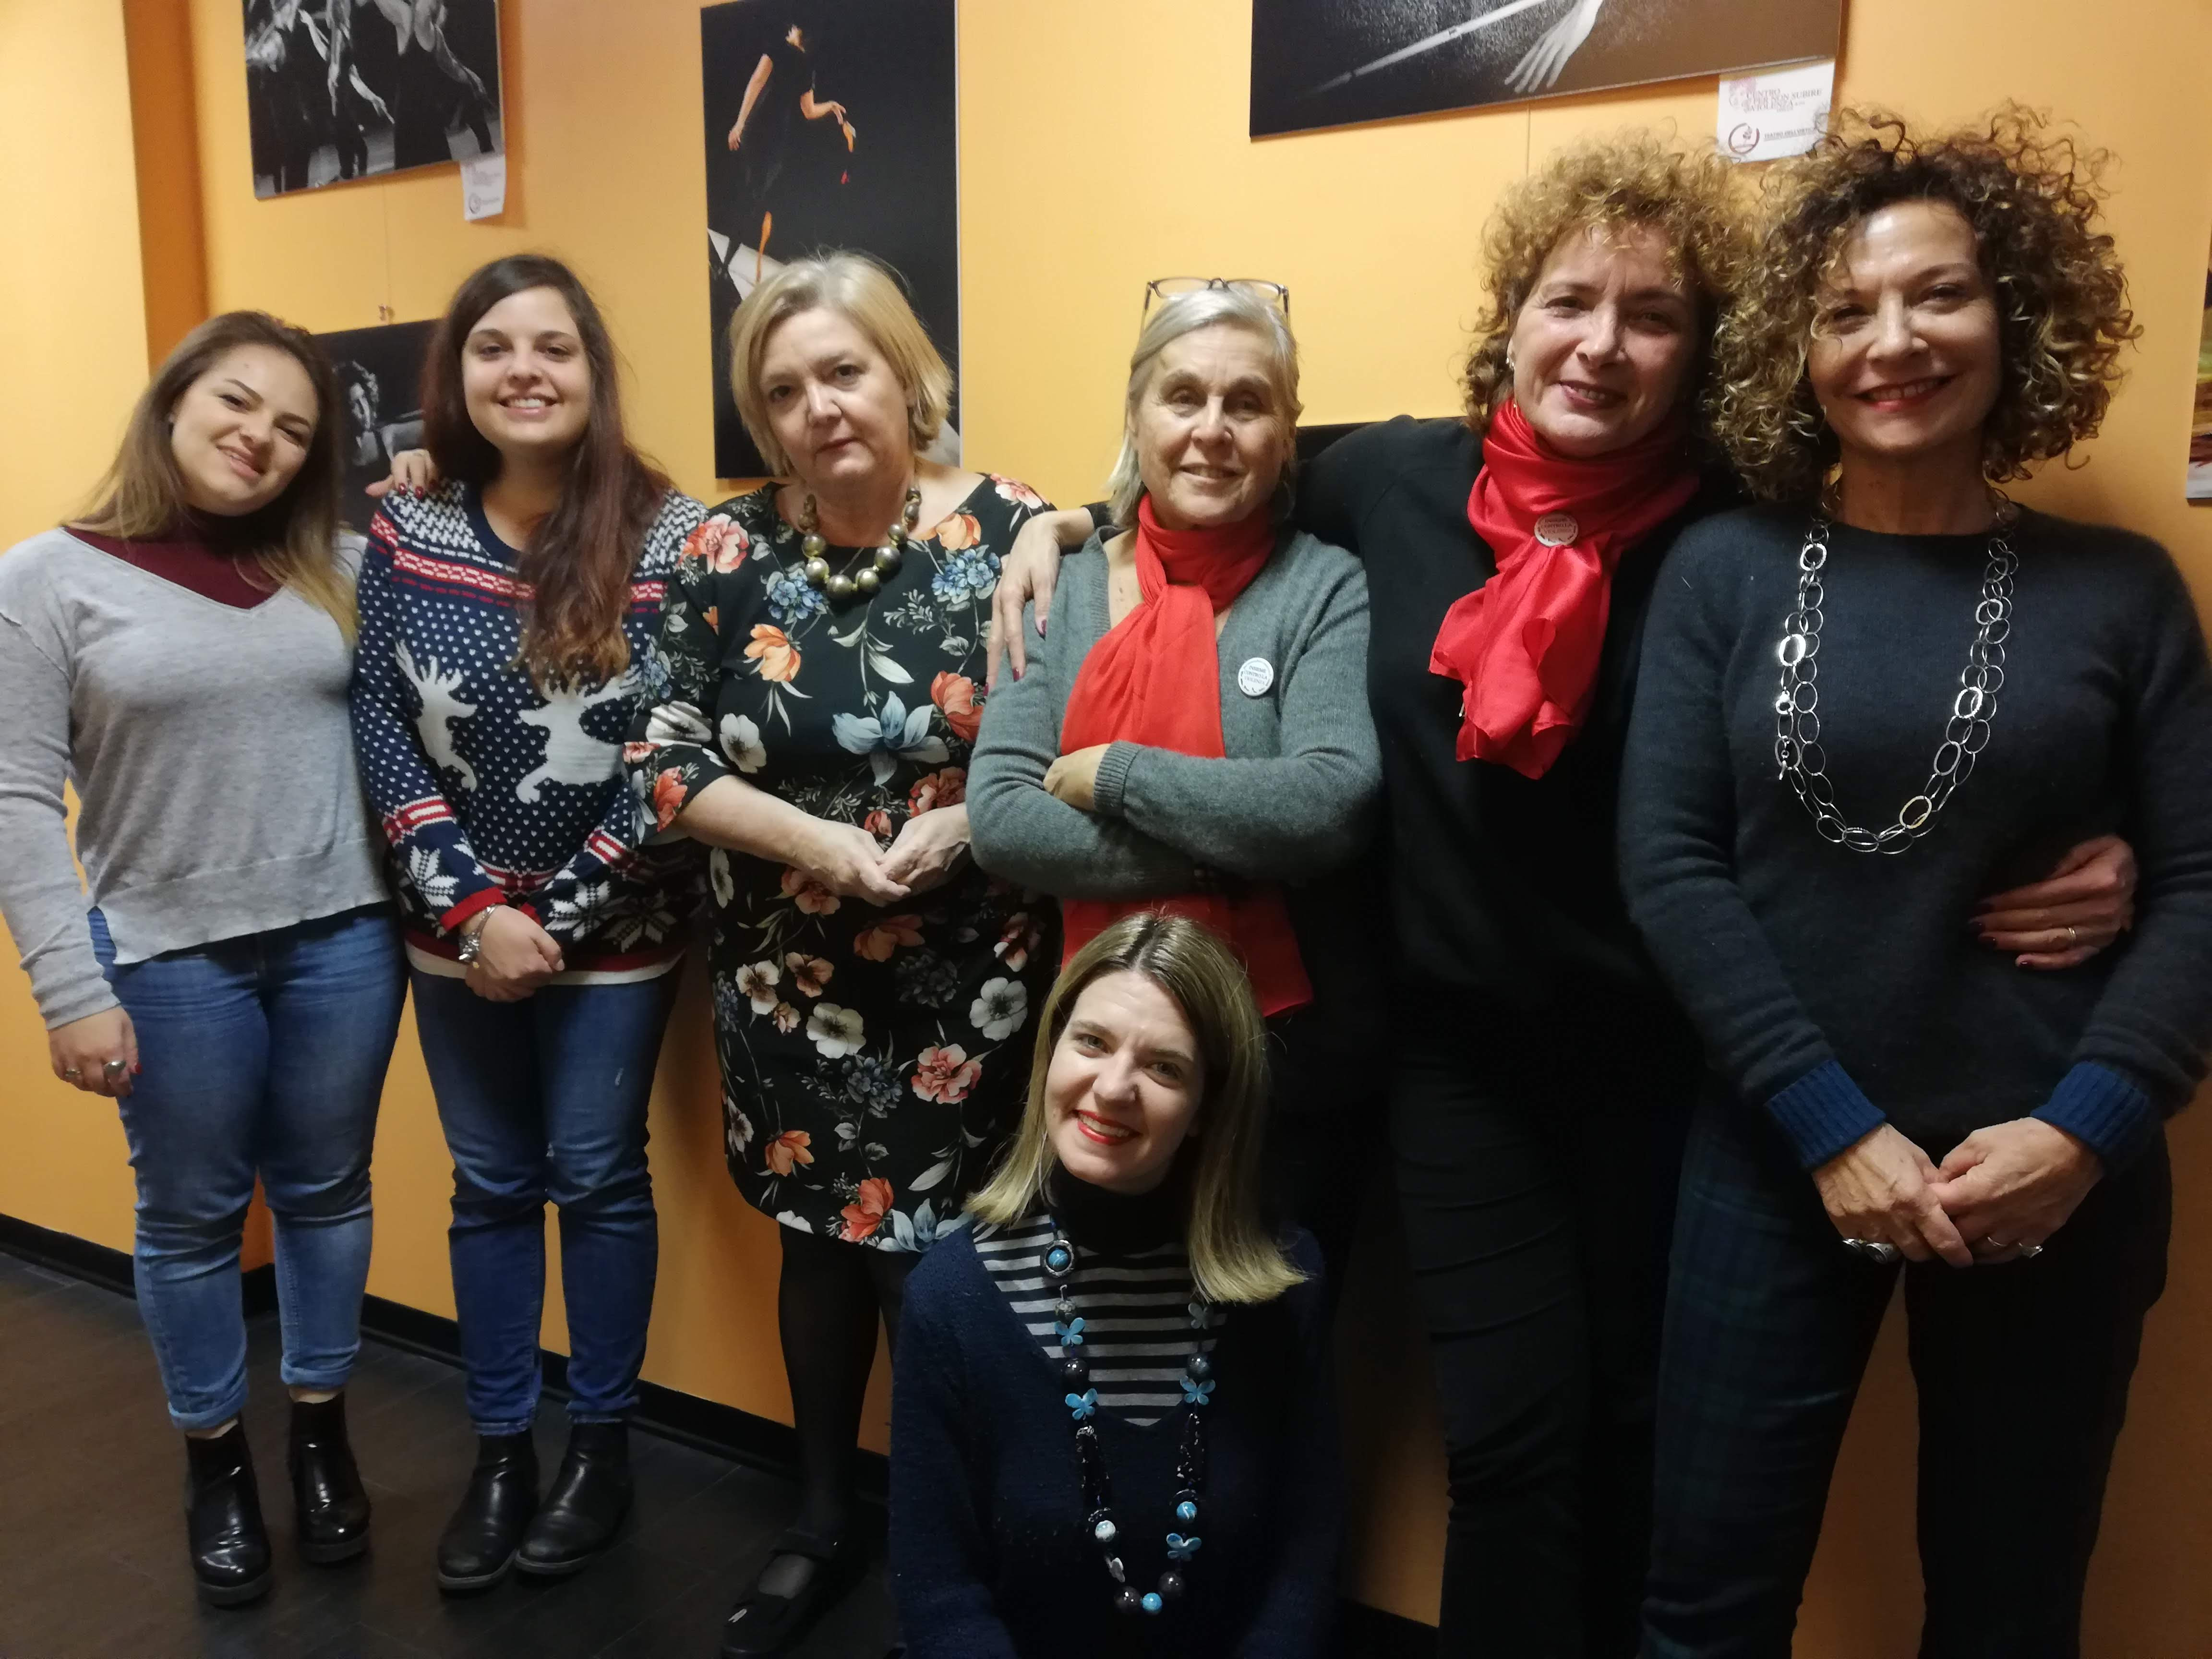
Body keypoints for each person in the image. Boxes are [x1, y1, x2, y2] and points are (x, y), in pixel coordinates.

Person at [990, 132, 2143, 1658]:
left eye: (1653, 315)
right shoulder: (1391, 478)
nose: (1602, 344)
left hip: (1685, 1064)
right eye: (1568, 303)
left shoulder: (1750, 528)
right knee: (1512, 1449)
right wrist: (1057, 523)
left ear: (1703, 350)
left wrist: (2115, 844)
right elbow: (1213, 449)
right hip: (1455, 1058)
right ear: (1511, 320)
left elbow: (1910, 707)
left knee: (1653, 1444)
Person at [1621, 109, 2212, 1658]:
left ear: (2015, 318)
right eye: (1844, 311)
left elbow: (2202, 883)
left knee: (2010, 1605)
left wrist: (2083, 1134)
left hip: (2050, 1170)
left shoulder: (2120, 589)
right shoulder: (1724, 571)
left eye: (1937, 294)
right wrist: (1832, 1129)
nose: (1892, 341)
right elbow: (1669, 865)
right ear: (1796, 352)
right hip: (1776, 1152)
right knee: (1706, 1600)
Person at [624, 252, 1058, 1657]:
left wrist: (964, 825)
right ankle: (820, 1519)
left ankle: (953, 1551)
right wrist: (820, 846)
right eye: (783, 389)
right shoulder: (721, 552)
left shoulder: (1018, 532)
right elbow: (662, 760)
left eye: (844, 371)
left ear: (907, 374)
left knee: (944, 1273)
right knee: (817, 1252)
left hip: (972, 987)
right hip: (787, 983)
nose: (818, 407)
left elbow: (1068, 737)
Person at [0, 312, 404, 1605]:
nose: (259, 439)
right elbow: (15, 799)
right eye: (236, 403)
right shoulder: (45, 579)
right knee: (191, 1221)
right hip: (168, 959)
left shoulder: (340, 563)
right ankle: (215, 1461)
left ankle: (321, 1432)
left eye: (293, 429)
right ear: (173, 401)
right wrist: (68, 990)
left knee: (329, 1195)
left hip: (344, 938)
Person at [350, 253, 704, 1592]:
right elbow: (379, 720)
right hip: (455, 937)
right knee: (491, 1186)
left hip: (615, 933)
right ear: (459, 376)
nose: (525, 372)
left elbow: (671, 741)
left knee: (598, 1180)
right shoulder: (410, 526)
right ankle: (502, 1450)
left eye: (553, 346)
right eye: (493, 347)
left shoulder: (673, 535)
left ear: (592, 371)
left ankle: (600, 1453)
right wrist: (473, 911)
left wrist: (549, 917)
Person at [966, 280, 1381, 1285]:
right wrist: (1229, 850)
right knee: (1100, 1328)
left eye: (1248, 404)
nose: (1212, 431)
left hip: (1278, 1063)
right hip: (1090, 1059)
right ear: (1137, 414)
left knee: (1269, 1334)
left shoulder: (1324, 585)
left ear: (1286, 434)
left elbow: (1330, 802)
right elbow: (1004, 820)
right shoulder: (1059, 585)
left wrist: (1116, 774)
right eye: (1183, 396)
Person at [890, 911, 1339, 1658]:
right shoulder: (951, 1298)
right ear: (1051, 1053)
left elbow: (1306, 1559)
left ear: (1207, 1108)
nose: (1113, 1087)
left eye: (1165, 1067)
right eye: (1092, 1042)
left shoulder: (1287, 1283)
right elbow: (939, 1594)